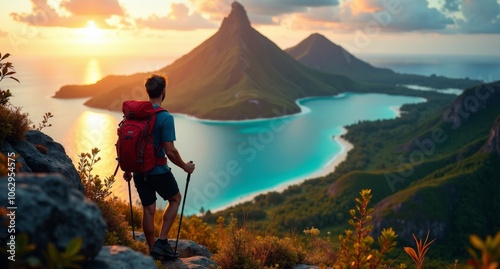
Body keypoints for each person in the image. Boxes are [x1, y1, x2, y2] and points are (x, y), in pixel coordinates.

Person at [123, 74, 195, 258]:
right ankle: (162, 242)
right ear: (163, 91)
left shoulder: (137, 115)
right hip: (158, 170)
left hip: (139, 170)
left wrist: (128, 169)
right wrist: (185, 167)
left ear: (147, 91)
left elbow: (129, 143)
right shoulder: (165, 118)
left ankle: (152, 248)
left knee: (148, 209)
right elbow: (170, 151)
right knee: (175, 199)